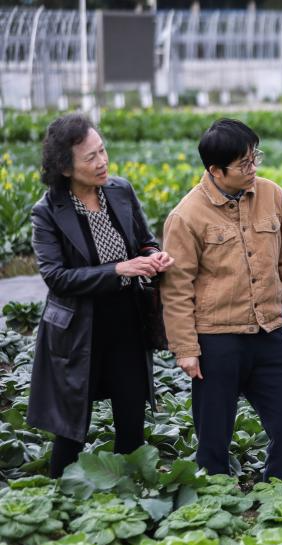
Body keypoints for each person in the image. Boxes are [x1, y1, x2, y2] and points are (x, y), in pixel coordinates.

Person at [160, 119, 282, 482]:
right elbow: (176, 287)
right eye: (244, 164)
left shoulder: (272, 195)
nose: (254, 168)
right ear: (215, 170)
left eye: (254, 157)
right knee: (214, 435)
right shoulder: (186, 216)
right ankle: (215, 501)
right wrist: (185, 348)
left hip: (267, 332)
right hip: (216, 338)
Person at [27, 113, 175, 477]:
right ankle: (62, 498)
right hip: (78, 330)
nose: (102, 162)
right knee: (70, 431)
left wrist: (151, 258)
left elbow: (144, 241)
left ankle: (127, 498)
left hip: (126, 321)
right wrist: (117, 270)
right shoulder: (47, 212)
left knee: (131, 419)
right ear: (64, 168)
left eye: (102, 151)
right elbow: (56, 277)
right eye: (90, 157)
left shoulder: (119, 191)